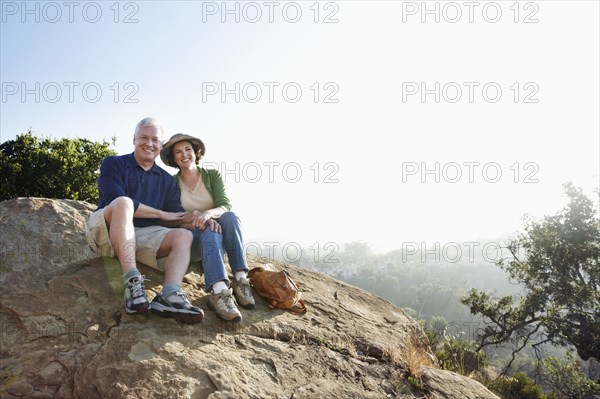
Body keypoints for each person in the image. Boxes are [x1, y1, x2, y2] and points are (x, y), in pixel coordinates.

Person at [85, 118, 204, 324]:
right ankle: (132, 281)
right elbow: (115, 199)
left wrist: (200, 219)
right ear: (134, 139)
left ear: (161, 145)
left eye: (155, 140)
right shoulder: (114, 163)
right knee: (123, 203)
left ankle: (170, 294)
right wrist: (160, 214)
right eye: (144, 137)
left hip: (142, 239)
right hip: (106, 231)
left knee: (183, 235)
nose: (149, 143)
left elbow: (175, 217)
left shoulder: (166, 180)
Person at [160, 133, 254, 322]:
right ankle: (219, 292)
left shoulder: (212, 175)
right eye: (178, 152)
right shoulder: (172, 183)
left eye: (188, 149)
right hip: (193, 241)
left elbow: (224, 204)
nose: (184, 154)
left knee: (230, 216)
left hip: (217, 240)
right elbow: (174, 218)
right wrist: (200, 222)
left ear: (196, 153)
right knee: (208, 229)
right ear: (173, 158)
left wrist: (207, 214)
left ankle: (241, 279)